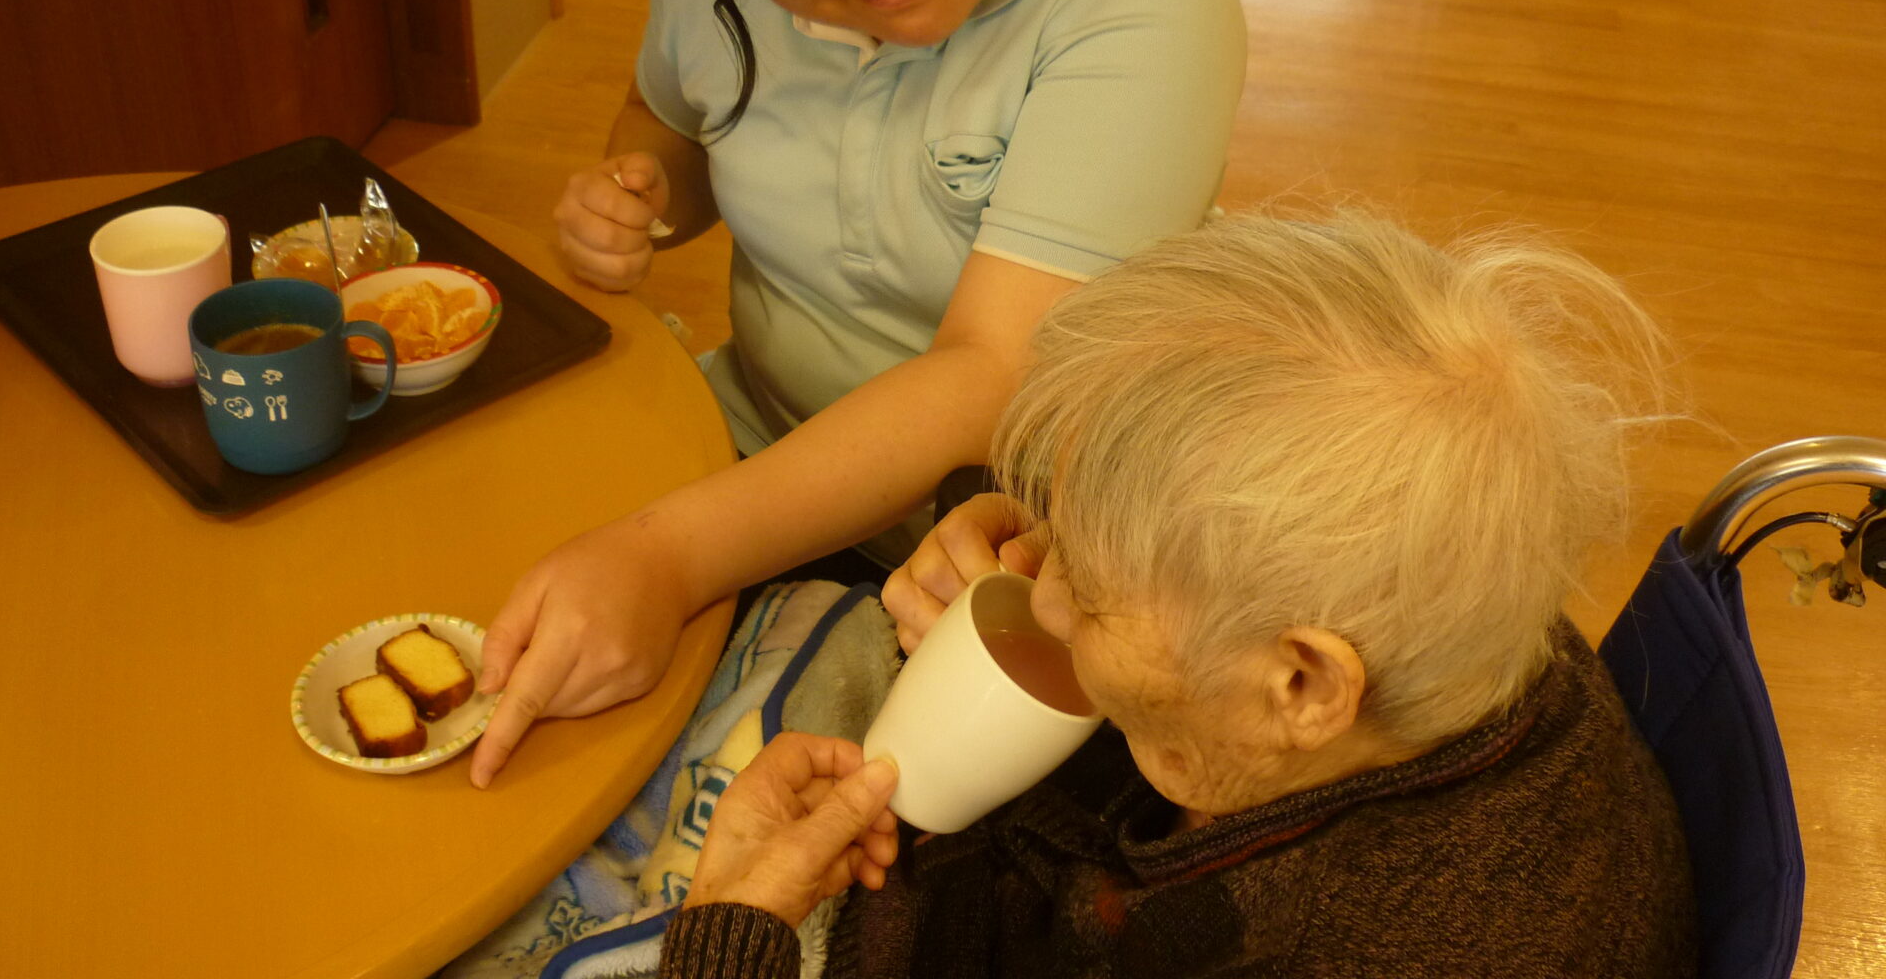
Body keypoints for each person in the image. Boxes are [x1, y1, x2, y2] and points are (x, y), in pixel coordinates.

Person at [469, 0, 1246, 786]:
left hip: (1023, 556)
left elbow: (989, 373)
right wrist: (640, 201)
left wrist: (669, 558)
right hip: (759, 456)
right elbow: (667, 121)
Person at [660, 209, 1699, 977]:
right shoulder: (1444, 591)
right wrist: (1043, 541)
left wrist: (730, 940)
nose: (1039, 591)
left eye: (1090, 579)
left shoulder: (1402, 941)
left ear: (1302, 683)